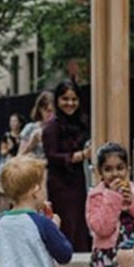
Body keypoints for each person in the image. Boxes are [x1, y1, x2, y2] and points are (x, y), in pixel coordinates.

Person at [41, 80, 93, 252]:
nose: (70, 103)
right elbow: (51, 156)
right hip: (60, 184)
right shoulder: (51, 127)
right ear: (57, 100)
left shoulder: (82, 124)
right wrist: (79, 156)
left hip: (78, 181)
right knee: (65, 223)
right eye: (65, 99)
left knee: (79, 223)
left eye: (74, 99)